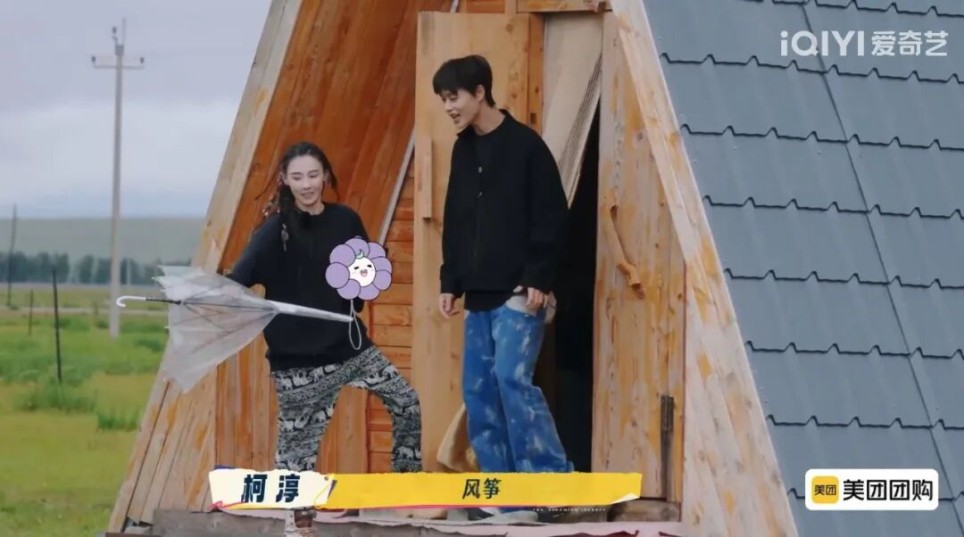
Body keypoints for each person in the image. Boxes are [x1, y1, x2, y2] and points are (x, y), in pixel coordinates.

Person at [225, 141, 423, 536]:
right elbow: (237, 280)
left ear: (326, 176)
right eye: (297, 177)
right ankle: (299, 525)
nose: (307, 184)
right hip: (297, 361)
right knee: (297, 451)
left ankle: (403, 486)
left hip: (349, 346)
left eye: (313, 175)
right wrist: (218, 296)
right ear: (285, 180)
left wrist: (367, 276)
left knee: (407, 403)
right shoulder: (275, 231)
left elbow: (365, 277)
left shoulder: (346, 220)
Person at [432, 55, 573, 523]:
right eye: (443, 99)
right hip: (478, 295)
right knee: (479, 392)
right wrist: (450, 281)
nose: (448, 107)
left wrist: (539, 277)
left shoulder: (526, 147)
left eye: (453, 97)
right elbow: (456, 219)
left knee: (513, 382)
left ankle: (551, 485)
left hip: (520, 293)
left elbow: (551, 217)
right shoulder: (463, 151)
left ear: (480, 92)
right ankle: (502, 491)